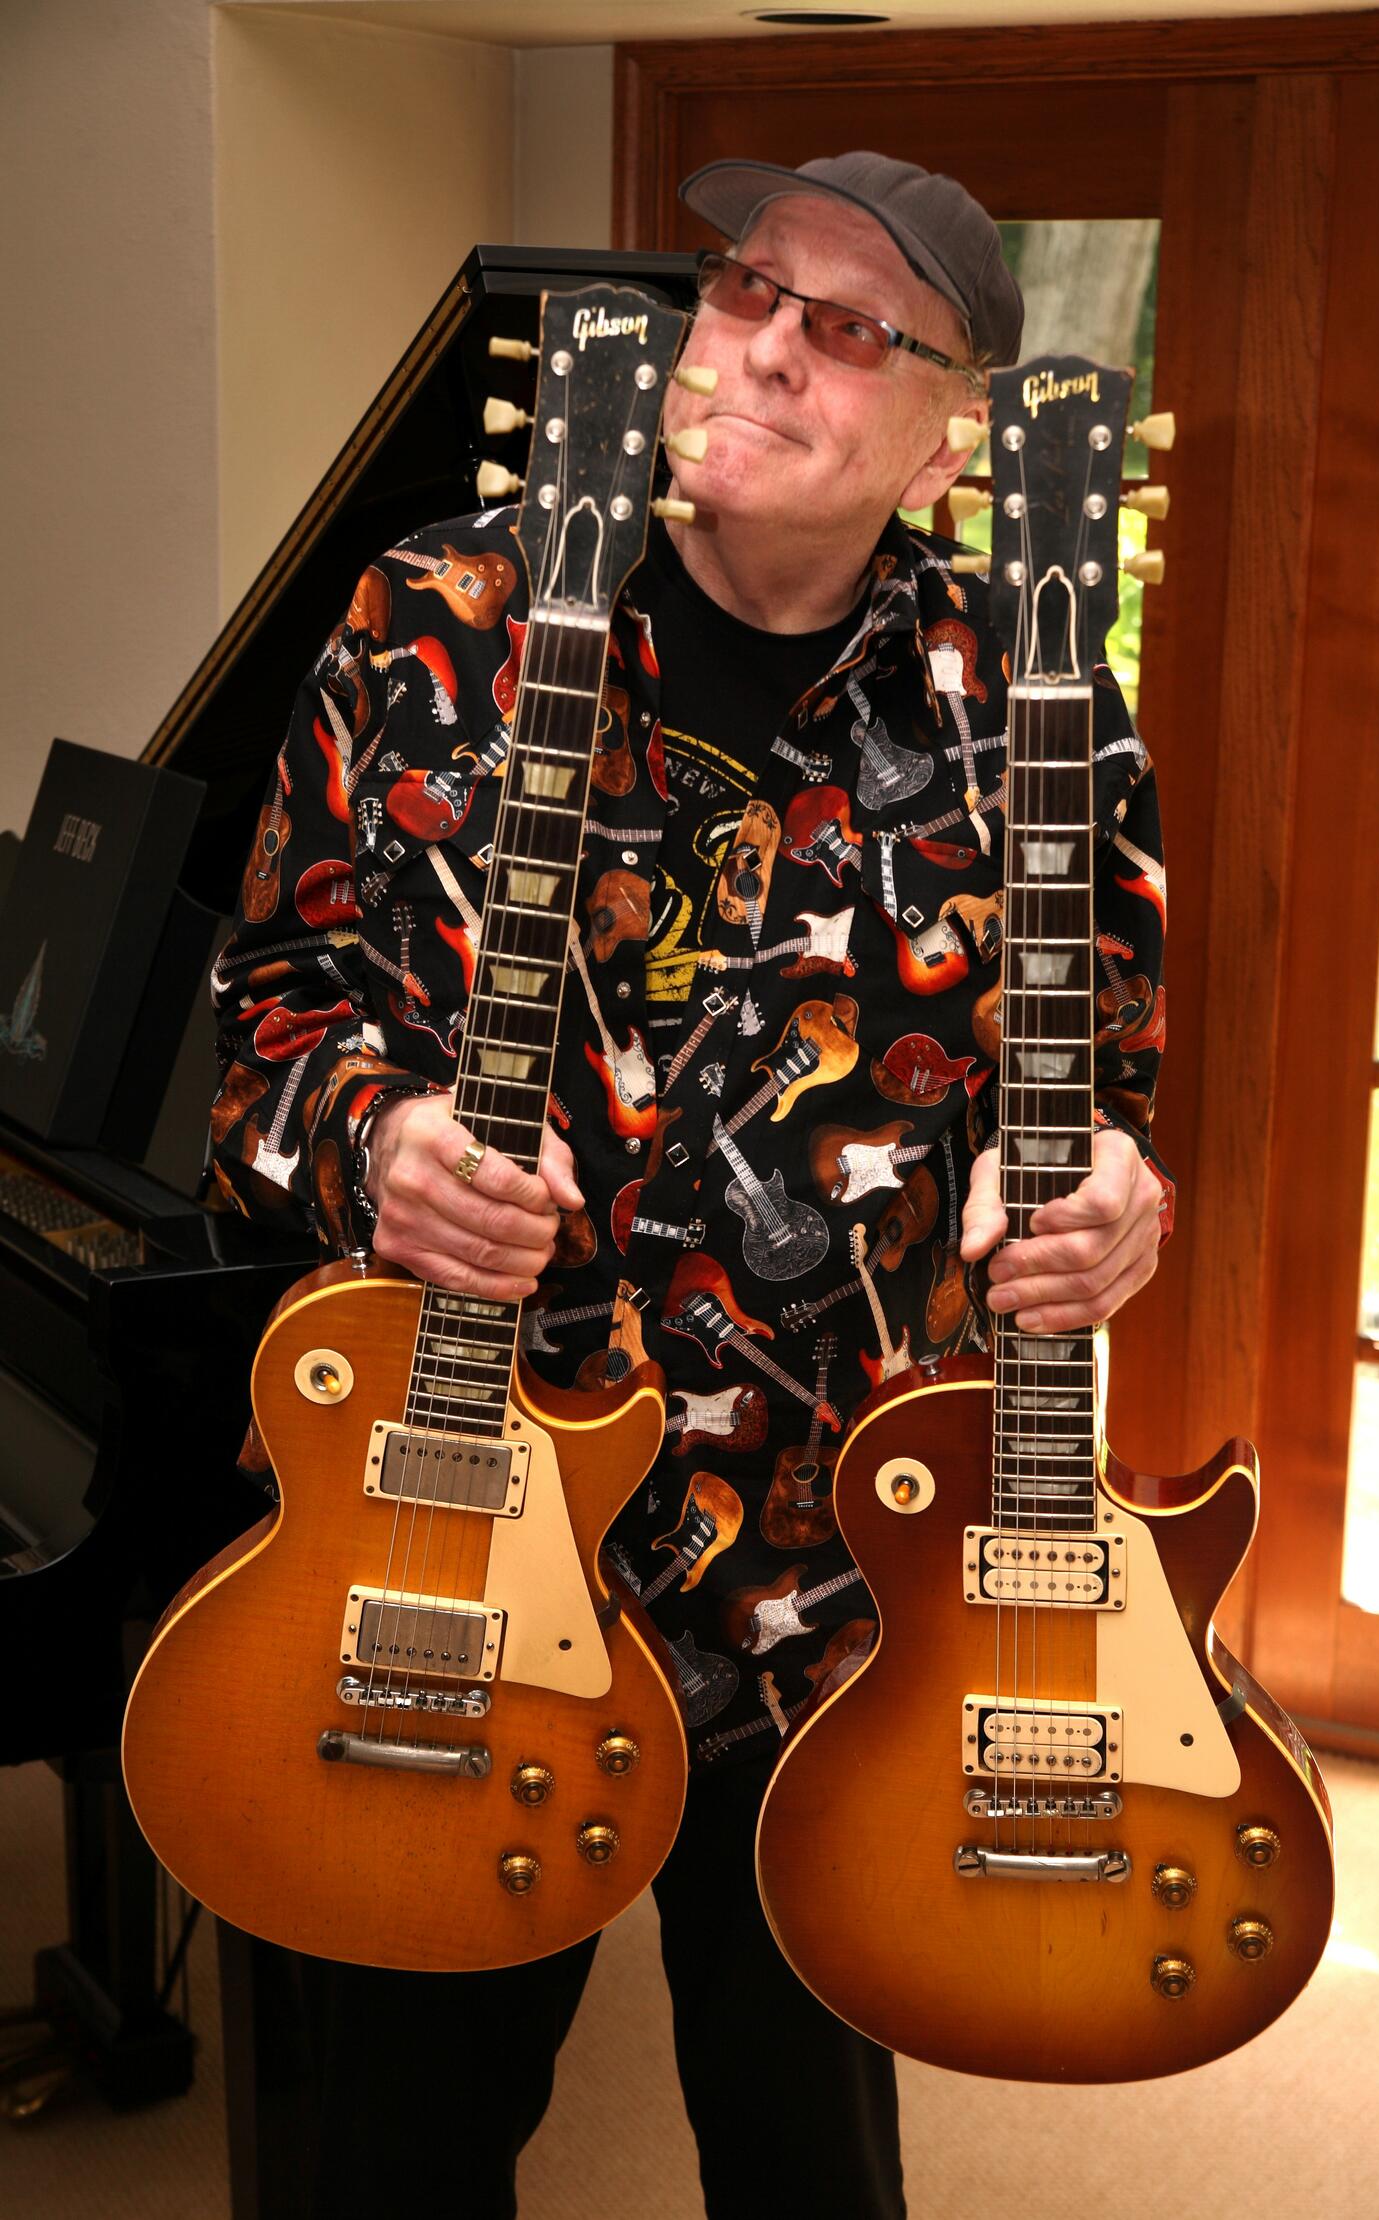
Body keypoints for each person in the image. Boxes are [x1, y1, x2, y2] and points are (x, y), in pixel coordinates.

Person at [209, 152, 1172, 2220]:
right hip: (453, 1552)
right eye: (746, 285)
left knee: (804, 2163)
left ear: (948, 432)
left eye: (848, 325)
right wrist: (371, 1141)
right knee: (389, 2146)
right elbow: (268, 1014)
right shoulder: (433, 625)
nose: (756, 342)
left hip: (824, 1599)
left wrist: (1112, 1205)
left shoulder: (1035, 711)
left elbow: (1101, 1104)